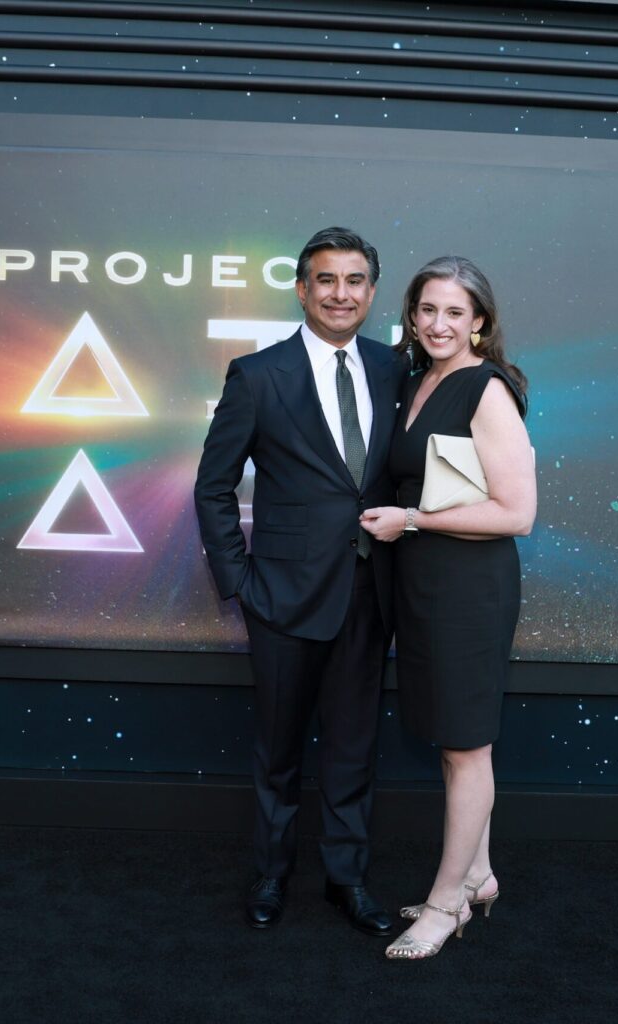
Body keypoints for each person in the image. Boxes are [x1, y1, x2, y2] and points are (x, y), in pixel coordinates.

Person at [194, 227, 403, 936]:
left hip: (371, 597)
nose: (340, 294)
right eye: (326, 280)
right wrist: (240, 584)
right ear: (302, 287)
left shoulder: (394, 369)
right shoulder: (258, 376)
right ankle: (271, 877)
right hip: (281, 600)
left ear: (371, 292)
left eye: (354, 281)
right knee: (278, 755)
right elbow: (213, 487)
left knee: (352, 754)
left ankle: (347, 880)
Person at [359, 256, 535, 960]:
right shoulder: (418, 381)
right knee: (454, 742)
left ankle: (443, 905)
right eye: (427, 310)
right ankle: (479, 876)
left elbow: (517, 513)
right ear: (411, 315)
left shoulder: (485, 389)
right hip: (424, 586)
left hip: (468, 590)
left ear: (480, 323)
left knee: (467, 747)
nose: (438, 323)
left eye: (454, 313)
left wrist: (413, 521)